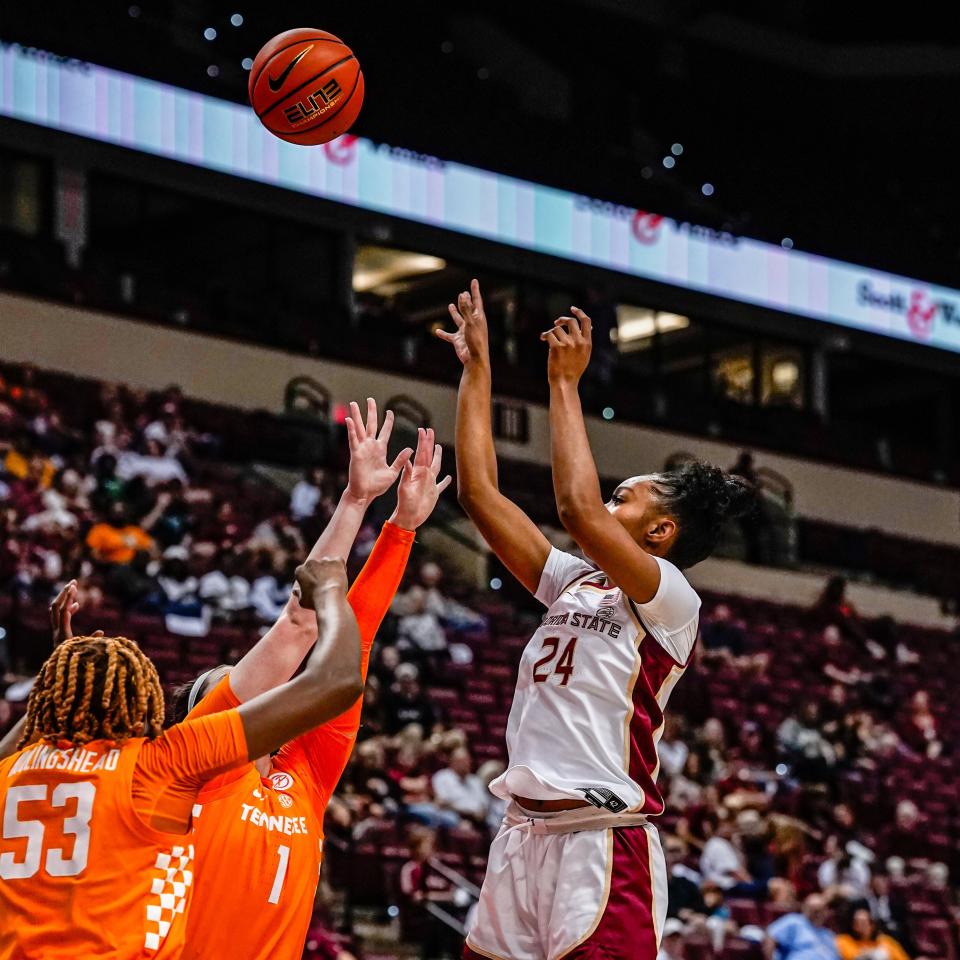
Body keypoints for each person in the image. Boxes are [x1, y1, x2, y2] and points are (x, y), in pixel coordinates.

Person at [437, 280, 753, 960]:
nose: (607, 503)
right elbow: (478, 492)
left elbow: (577, 510)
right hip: (521, 837)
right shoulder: (574, 582)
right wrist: (478, 370)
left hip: (601, 842)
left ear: (662, 530)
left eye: (624, 498)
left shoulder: (671, 600)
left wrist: (565, 386)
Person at [176, 402, 450, 960]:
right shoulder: (193, 764)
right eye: (230, 685)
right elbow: (302, 622)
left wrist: (400, 531)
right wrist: (354, 502)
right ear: (203, 714)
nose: (256, 686)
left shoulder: (305, 774)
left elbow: (355, 638)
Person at [0, 556, 364, 959]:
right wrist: (331, 592)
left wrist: (62, 667)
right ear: (141, 706)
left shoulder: (9, 771)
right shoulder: (158, 765)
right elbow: (338, 681)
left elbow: (30, 733)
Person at [764, 894, 840, 960]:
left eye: (821, 910)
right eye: (814, 910)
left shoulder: (828, 935)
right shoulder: (794, 921)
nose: (818, 914)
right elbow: (771, 937)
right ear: (805, 908)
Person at [835, 908, 910, 960]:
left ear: (872, 925)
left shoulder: (886, 941)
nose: (859, 926)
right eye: (856, 923)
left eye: (863, 923)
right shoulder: (843, 940)